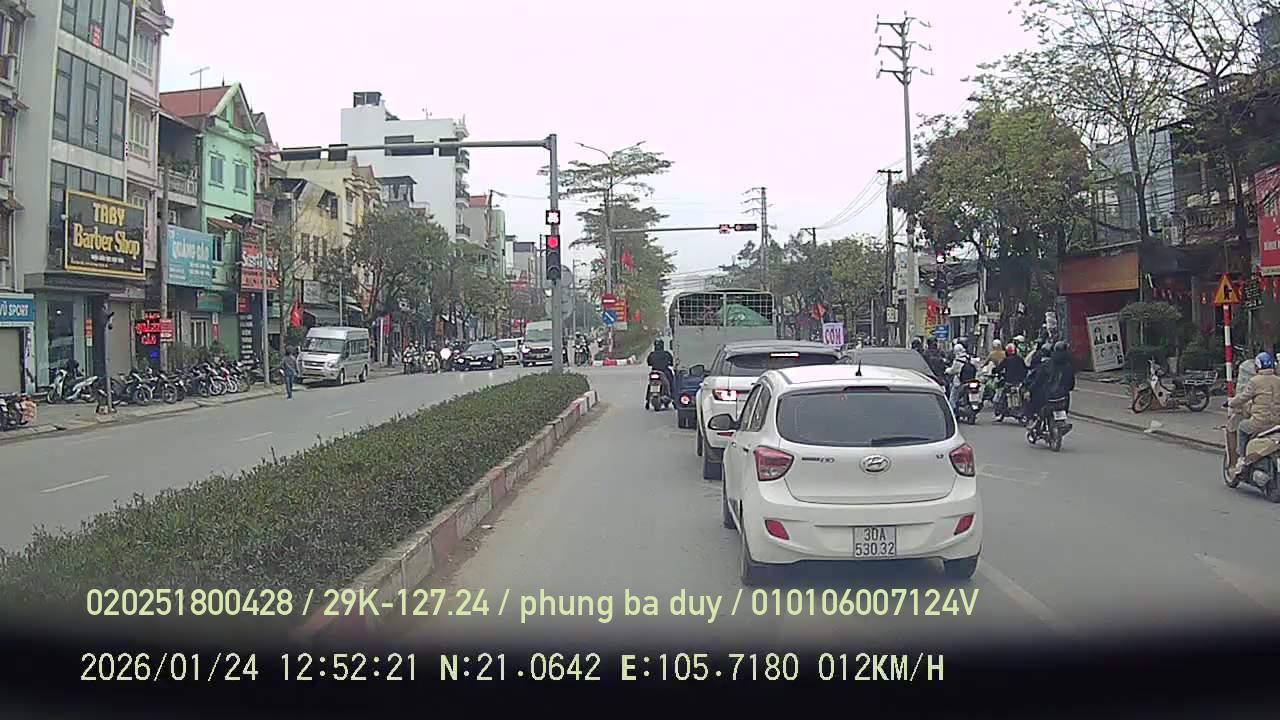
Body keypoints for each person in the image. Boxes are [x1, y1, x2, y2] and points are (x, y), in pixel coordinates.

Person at [1228, 352, 1280, 475]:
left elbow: (1243, 397)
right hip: (1276, 423)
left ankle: (1242, 459)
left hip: (1259, 423)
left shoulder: (1255, 381)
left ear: (1258, 366)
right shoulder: (1278, 380)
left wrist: (1231, 403)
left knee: (1242, 427)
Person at [994, 342, 1028, 412]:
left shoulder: (1006, 360)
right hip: (1020, 382)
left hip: (1009, 381)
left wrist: (994, 371)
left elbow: (998, 369)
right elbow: (1025, 369)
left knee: (1003, 393)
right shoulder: (1020, 359)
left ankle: (1003, 407)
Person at [945, 342, 977, 411]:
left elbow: (952, 371)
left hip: (959, 381)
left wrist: (946, 370)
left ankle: (952, 410)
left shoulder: (957, 360)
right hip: (970, 380)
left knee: (952, 398)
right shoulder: (969, 358)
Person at [646, 339, 675, 403]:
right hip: (664, 371)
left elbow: (649, 363)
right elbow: (672, 362)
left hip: (654, 371)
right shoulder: (666, 354)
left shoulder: (651, 354)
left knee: (650, 384)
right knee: (671, 381)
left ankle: (647, 399)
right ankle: (673, 396)